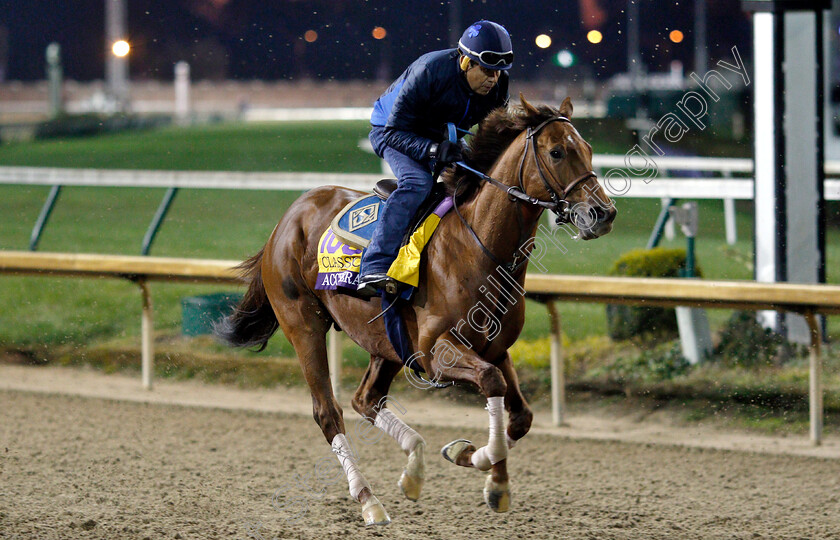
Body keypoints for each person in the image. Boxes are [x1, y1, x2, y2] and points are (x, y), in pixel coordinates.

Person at [357, 20, 513, 293]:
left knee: (483, 181)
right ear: (466, 62)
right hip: (392, 130)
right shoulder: (430, 71)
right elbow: (394, 132)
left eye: (500, 73)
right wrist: (432, 150)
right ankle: (374, 266)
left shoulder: (499, 85)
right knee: (418, 183)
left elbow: (495, 138)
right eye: (488, 70)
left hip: (442, 135)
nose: (494, 79)